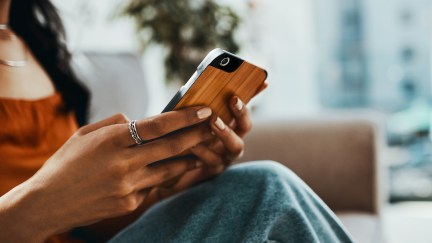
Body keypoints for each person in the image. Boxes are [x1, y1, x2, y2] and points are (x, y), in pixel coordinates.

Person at [0, 0, 353, 242]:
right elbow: (46, 210)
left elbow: (82, 225)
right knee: (266, 187)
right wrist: (36, 206)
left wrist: (170, 181)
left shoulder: (34, 44)